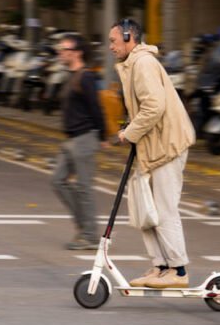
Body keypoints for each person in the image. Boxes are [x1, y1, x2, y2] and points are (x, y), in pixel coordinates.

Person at [109, 19, 196, 288]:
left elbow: (154, 107)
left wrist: (130, 133)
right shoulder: (133, 64)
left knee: (164, 209)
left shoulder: (143, 63)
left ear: (128, 37)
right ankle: (160, 267)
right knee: (146, 209)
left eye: (113, 40)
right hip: (153, 146)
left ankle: (178, 271)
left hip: (167, 145)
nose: (110, 46)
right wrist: (130, 127)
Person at [51, 34, 108, 250]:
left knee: (84, 188)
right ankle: (84, 226)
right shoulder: (71, 76)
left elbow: (96, 108)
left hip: (84, 138)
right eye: (60, 48)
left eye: (65, 49)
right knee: (58, 181)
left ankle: (90, 236)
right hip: (71, 139)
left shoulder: (86, 77)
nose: (61, 52)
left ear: (78, 53)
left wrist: (102, 136)